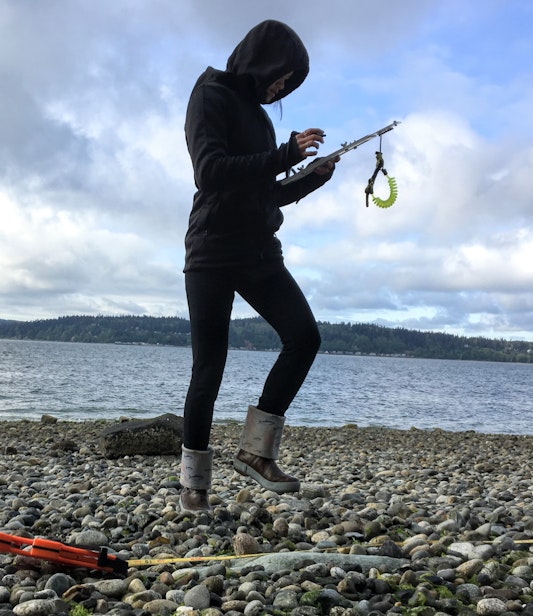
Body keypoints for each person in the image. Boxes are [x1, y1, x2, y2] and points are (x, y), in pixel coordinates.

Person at [180, 19, 338, 512]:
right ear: (261, 60)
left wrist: (311, 177)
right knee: (209, 368)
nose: (281, 88)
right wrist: (285, 153)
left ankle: (255, 452)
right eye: (281, 77)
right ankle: (194, 485)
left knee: (304, 337)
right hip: (211, 250)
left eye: (289, 84)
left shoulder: (262, 117)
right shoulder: (209, 95)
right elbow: (211, 173)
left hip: (259, 251)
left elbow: (266, 190)